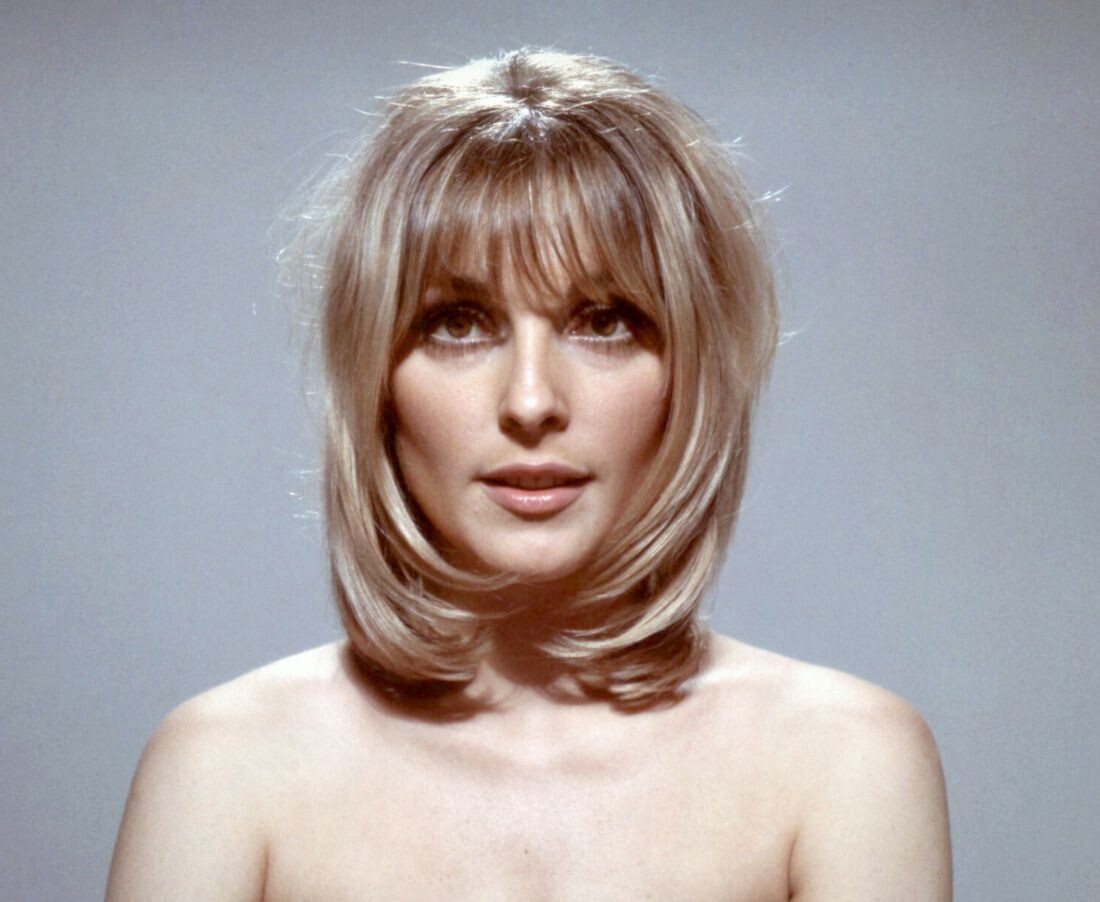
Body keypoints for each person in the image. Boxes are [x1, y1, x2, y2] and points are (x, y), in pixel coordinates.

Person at [107, 49, 951, 900]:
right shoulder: (224, 772)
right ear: (376, 381)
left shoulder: (845, 764)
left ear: (690, 372)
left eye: (604, 321)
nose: (532, 400)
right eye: (458, 323)